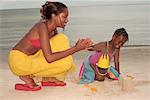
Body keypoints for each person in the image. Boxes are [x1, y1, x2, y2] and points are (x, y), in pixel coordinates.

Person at [8, 1, 93, 91]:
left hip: (30, 58)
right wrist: (75, 49)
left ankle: (47, 77)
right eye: (64, 17)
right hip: (18, 61)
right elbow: (50, 58)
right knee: (65, 63)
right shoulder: (42, 27)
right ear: (53, 15)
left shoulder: (52, 30)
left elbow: (58, 50)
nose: (67, 20)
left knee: (61, 39)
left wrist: (78, 46)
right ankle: (27, 75)